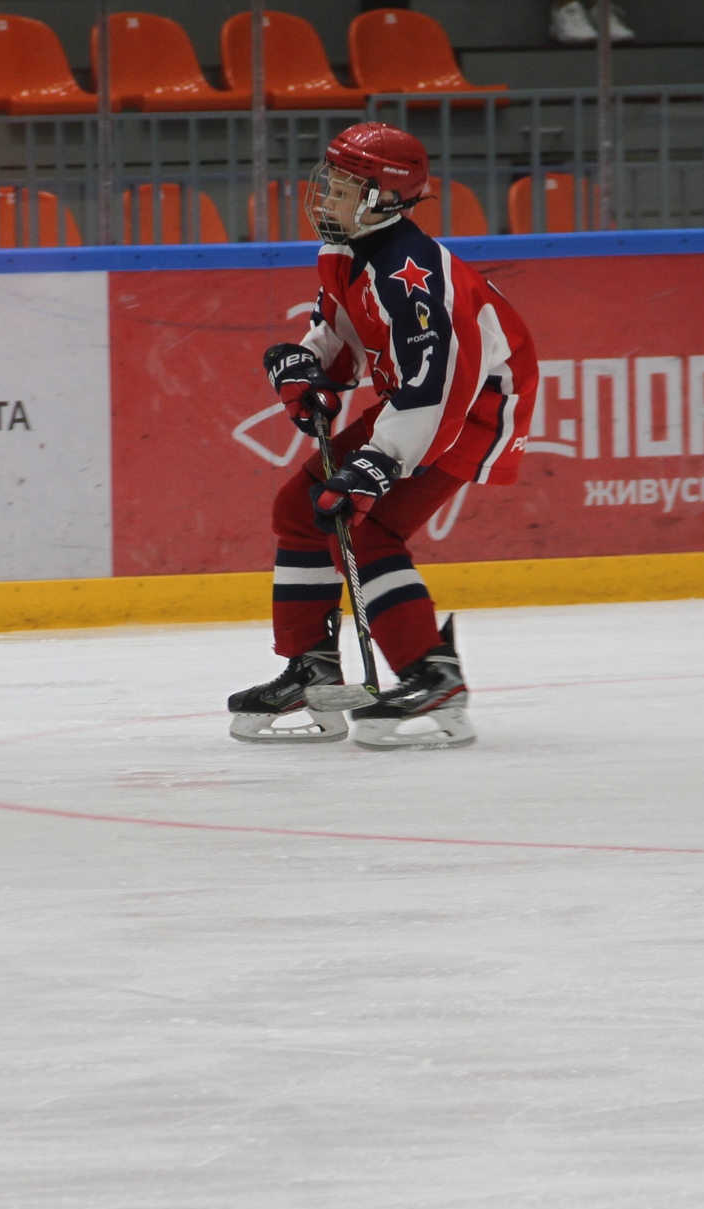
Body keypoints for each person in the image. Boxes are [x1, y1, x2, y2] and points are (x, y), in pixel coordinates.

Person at [229, 123, 537, 751]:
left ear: (385, 197)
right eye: (329, 181)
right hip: (419, 402)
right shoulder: (344, 251)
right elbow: (343, 336)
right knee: (301, 510)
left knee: (367, 528)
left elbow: (439, 389)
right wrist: (307, 364)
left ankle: (433, 676)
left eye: (344, 186)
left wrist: (378, 464)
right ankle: (312, 670)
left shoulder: (413, 275)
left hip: (472, 408)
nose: (325, 196)